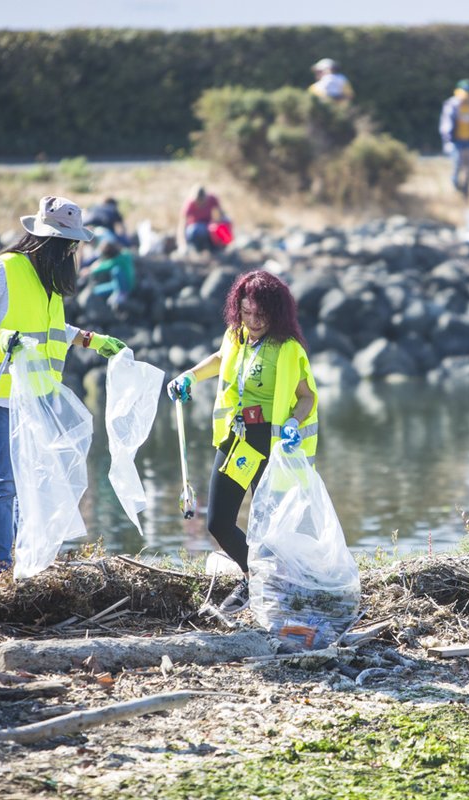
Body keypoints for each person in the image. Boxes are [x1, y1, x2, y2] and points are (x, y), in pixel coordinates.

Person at [0, 196, 127, 569]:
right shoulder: (5, 268)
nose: (73, 253)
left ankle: (22, 556)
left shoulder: (47, 278)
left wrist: (89, 339)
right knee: (5, 480)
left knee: (35, 477)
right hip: (2, 394)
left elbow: (48, 331)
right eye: (69, 246)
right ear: (49, 241)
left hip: (39, 394)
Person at [166, 270, 319, 614]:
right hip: (239, 439)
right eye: (246, 313)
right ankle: (255, 576)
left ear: (275, 312)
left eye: (260, 315)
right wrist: (188, 376)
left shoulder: (288, 348)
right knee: (217, 521)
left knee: (271, 527)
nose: (252, 322)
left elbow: (307, 396)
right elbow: (221, 360)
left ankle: (267, 585)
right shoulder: (235, 336)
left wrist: (295, 422)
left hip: (273, 443)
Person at [85, 235, 136, 309]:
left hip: (126, 286)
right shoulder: (124, 254)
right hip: (116, 284)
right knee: (96, 291)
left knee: (116, 271)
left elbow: (108, 265)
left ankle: (122, 294)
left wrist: (90, 270)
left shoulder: (121, 258)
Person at [177, 185, 225, 254]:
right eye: (198, 201)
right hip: (194, 231)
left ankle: (220, 246)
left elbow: (221, 214)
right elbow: (182, 225)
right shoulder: (189, 204)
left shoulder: (212, 199)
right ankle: (197, 249)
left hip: (208, 226)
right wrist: (182, 244)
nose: (200, 203)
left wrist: (219, 225)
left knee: (224, 222)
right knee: (197, 229)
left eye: (202, 201)